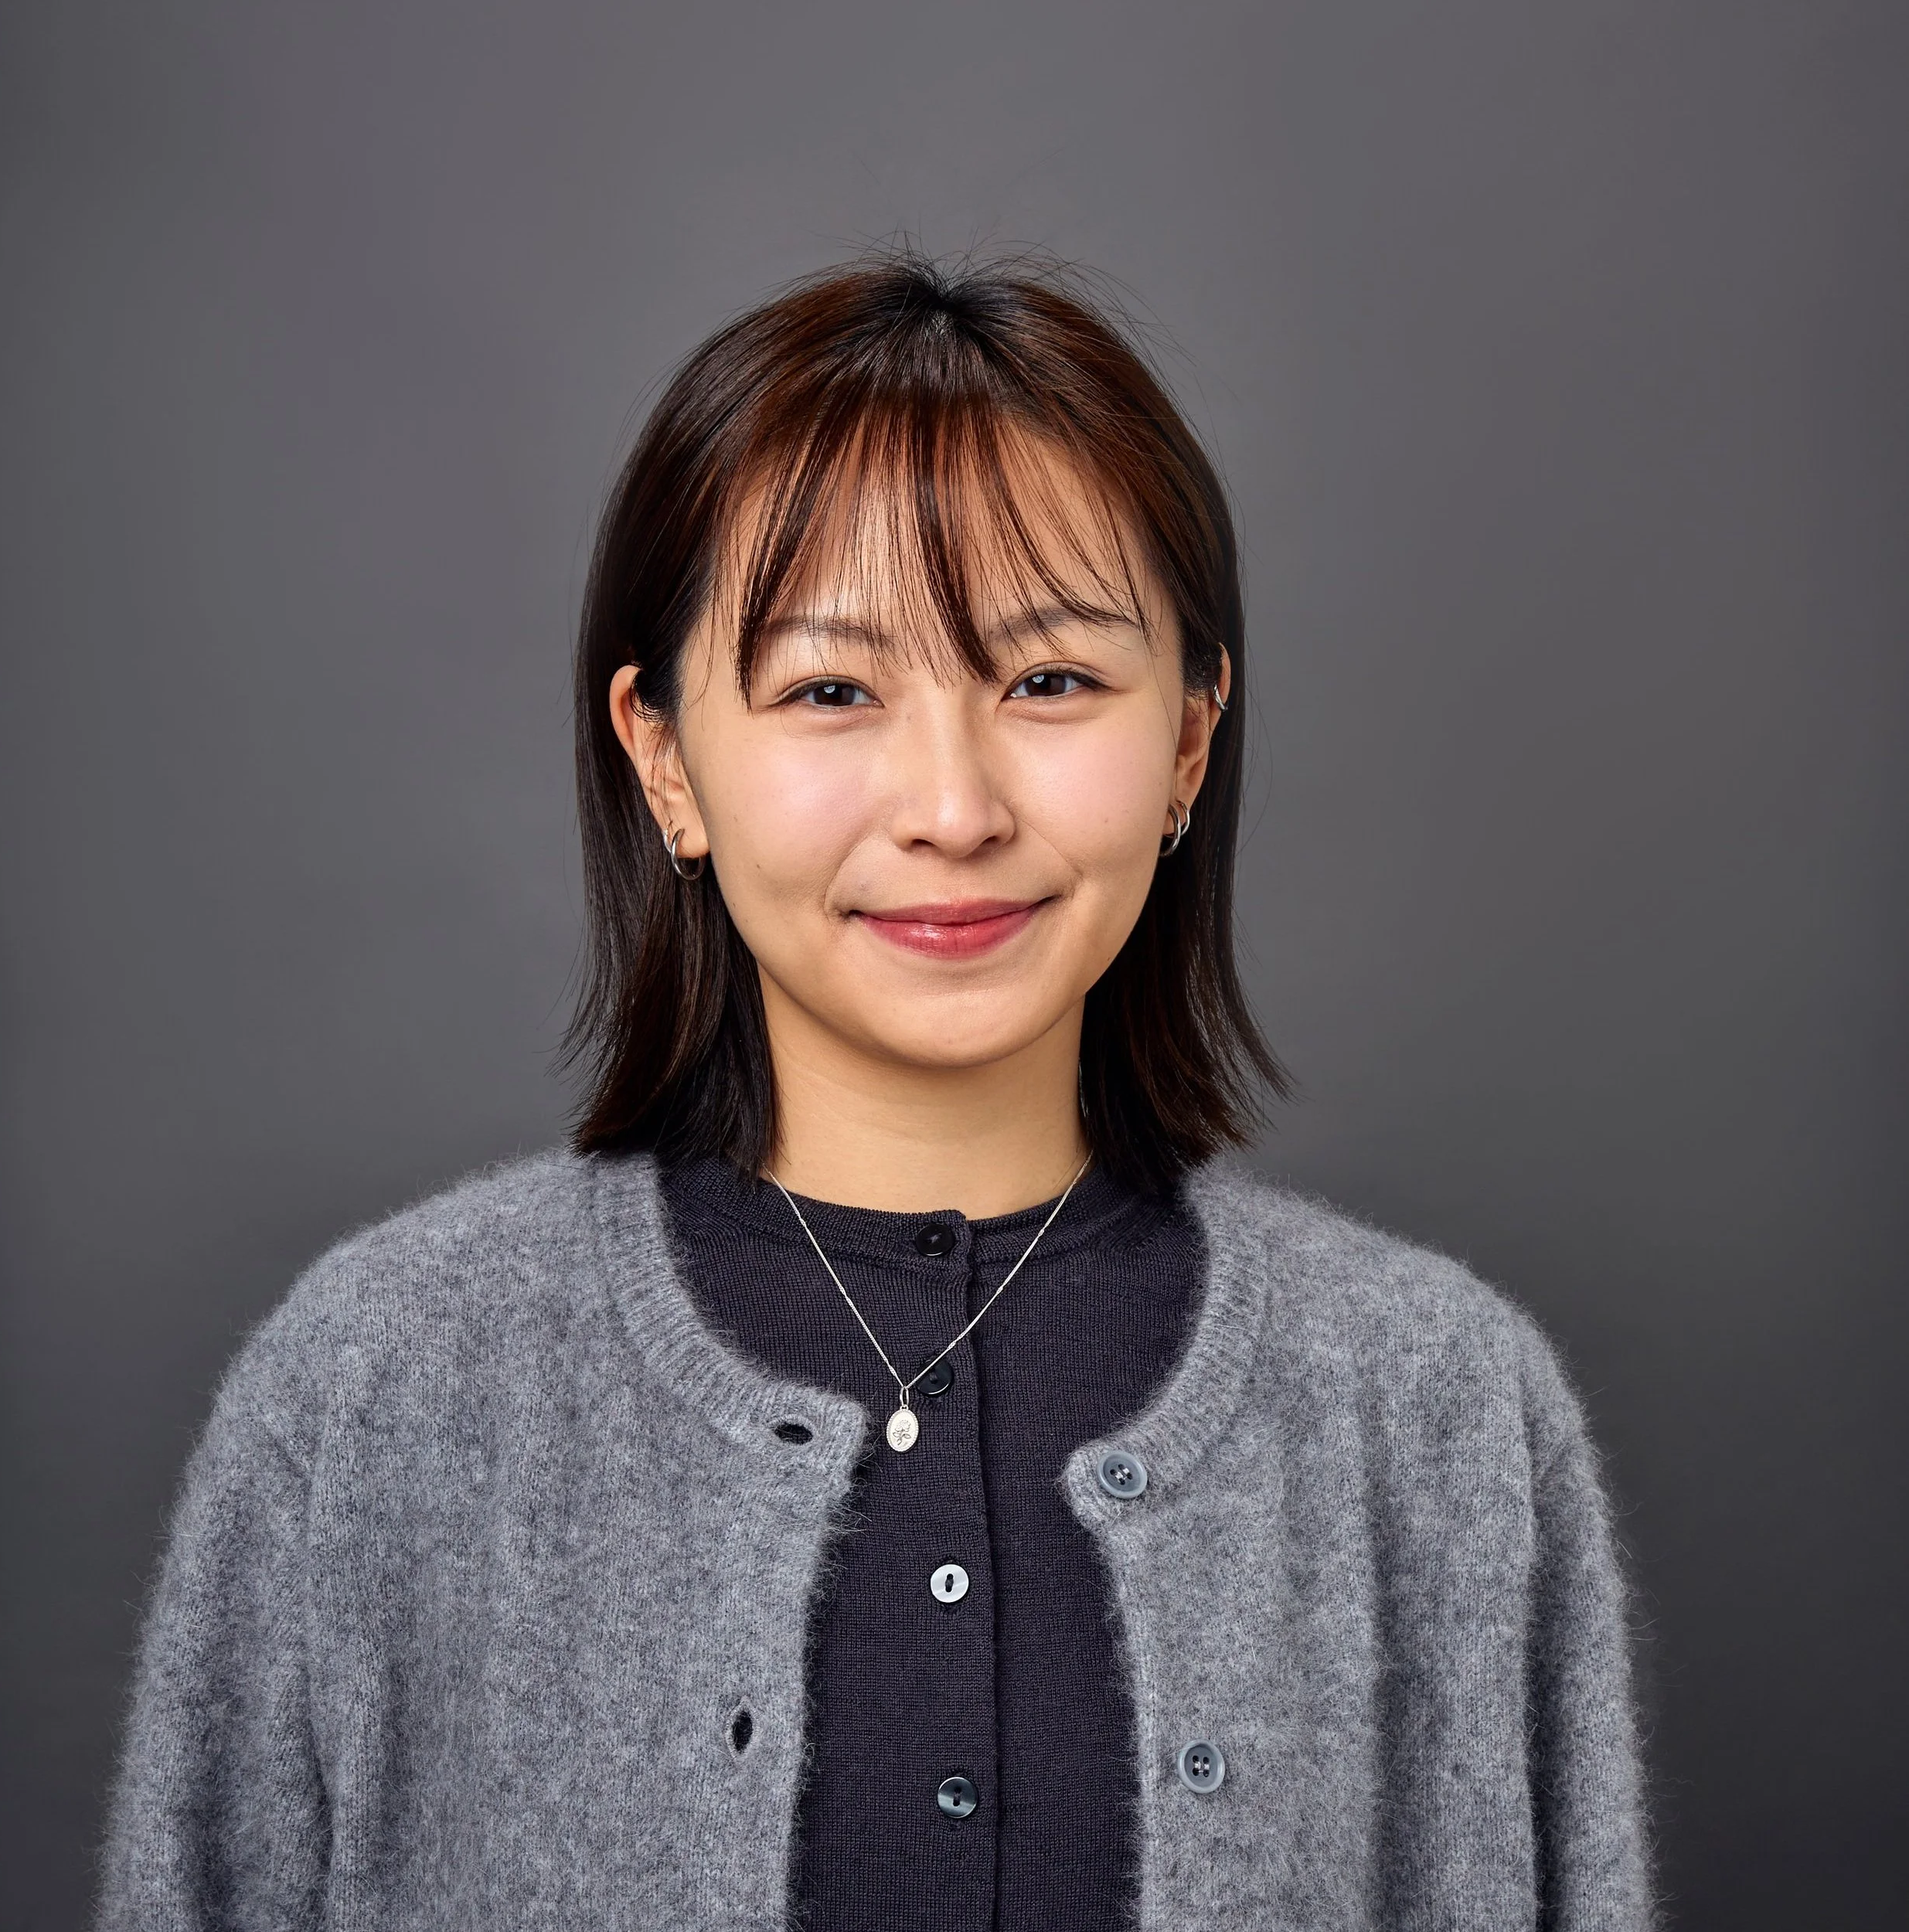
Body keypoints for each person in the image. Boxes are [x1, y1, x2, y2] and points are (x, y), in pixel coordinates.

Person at [97, 255, 1650, 1931]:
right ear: (665, 758)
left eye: (1049, 681)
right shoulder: (377, 1392)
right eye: (830, 691)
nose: (952, 808)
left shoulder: (1441, 1414)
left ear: (1190, 742)